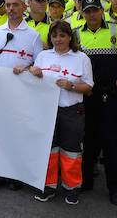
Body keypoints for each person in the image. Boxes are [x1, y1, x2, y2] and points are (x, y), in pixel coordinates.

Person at [21, 20, 93, 205]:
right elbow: (34, 82)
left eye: (62, 35)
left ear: (70, 37)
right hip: (46, 111)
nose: (58, 39)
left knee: (71, 151)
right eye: (54, 36)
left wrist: (71, 86)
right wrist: (33, 72)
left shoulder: (81, 58)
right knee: (48, 150)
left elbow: (88, 87)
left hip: (71, 111)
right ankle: (48, 185)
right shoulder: (44, 56)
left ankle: (72, 187)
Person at [0, 0, 44, 191]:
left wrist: (27, 69)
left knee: (17, 133)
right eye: (8, 5)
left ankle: (15, 174)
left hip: (21, 95)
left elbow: (39, 65)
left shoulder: (33, 36)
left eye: (15, 5)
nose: (11, 9)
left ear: (24, 7)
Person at [75, 0, 117, 205]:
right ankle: (86, 181)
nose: (92, 14)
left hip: (111, 96)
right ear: (83, 13)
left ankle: (115, 187)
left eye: (95, 10)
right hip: (87, 95)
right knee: (89, 139)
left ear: (102, 11)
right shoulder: (76, 34)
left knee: (111, 142)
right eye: (88, 11)